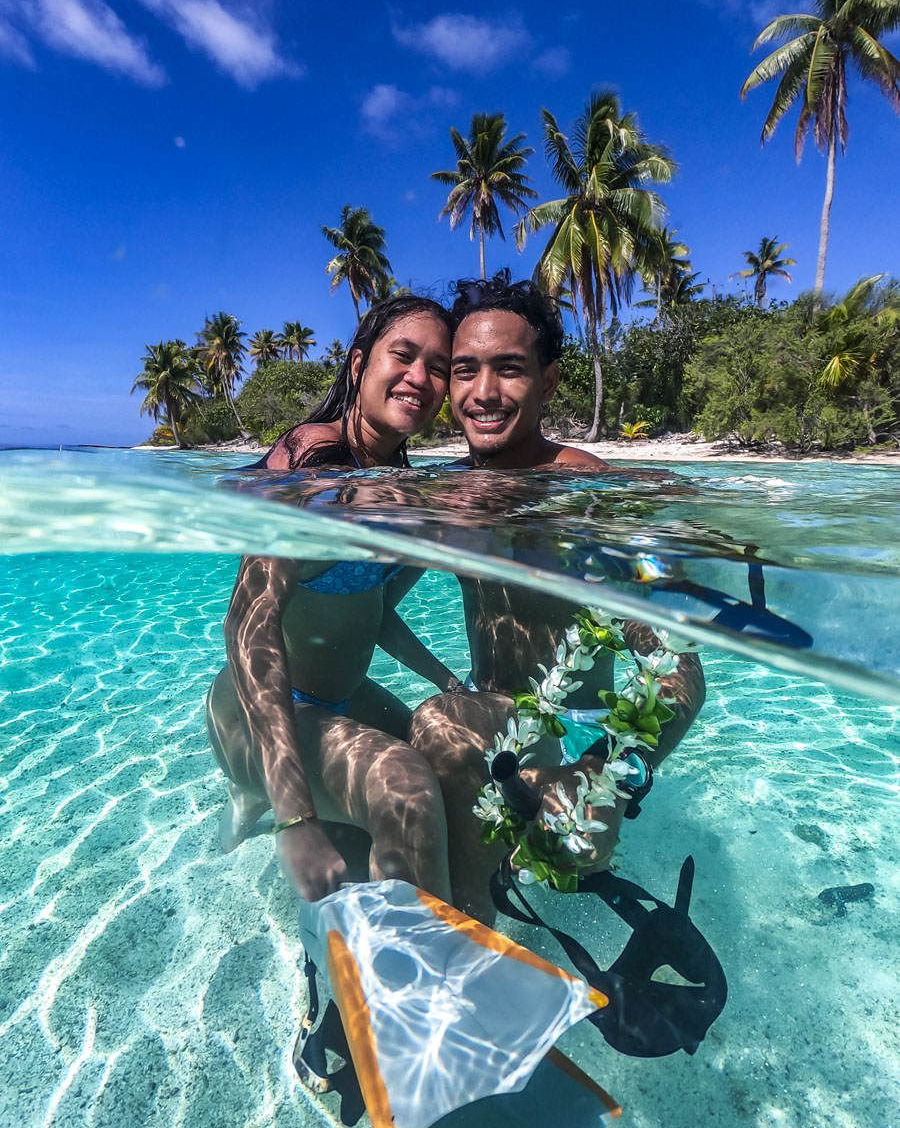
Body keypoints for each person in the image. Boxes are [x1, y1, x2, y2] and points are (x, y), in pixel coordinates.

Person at [408, 273, 706, 921]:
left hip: (580, 737)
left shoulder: (593, 500)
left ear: (548, 382)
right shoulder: (446, 494)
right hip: (494, 717)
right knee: (437, 721)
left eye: (509, 369)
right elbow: (372, 596)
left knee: (573, 851)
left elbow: (679, 674)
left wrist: (610, 768)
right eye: (465, 371)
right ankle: (475, 921)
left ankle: (523, 869)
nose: (483, 392)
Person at [206, 295, 460, 903]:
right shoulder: (312, 459)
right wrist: (295, 817)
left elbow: (373, 615)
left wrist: (450, 683)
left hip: (334, 702)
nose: (420, 378)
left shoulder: (400, 487)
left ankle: (432, 910)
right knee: (405, 787)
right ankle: (416, 982)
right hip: (258, 711)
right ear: (357, 366)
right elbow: (249, 624)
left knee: (445, 762)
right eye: (402, 355)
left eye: (439, 366)